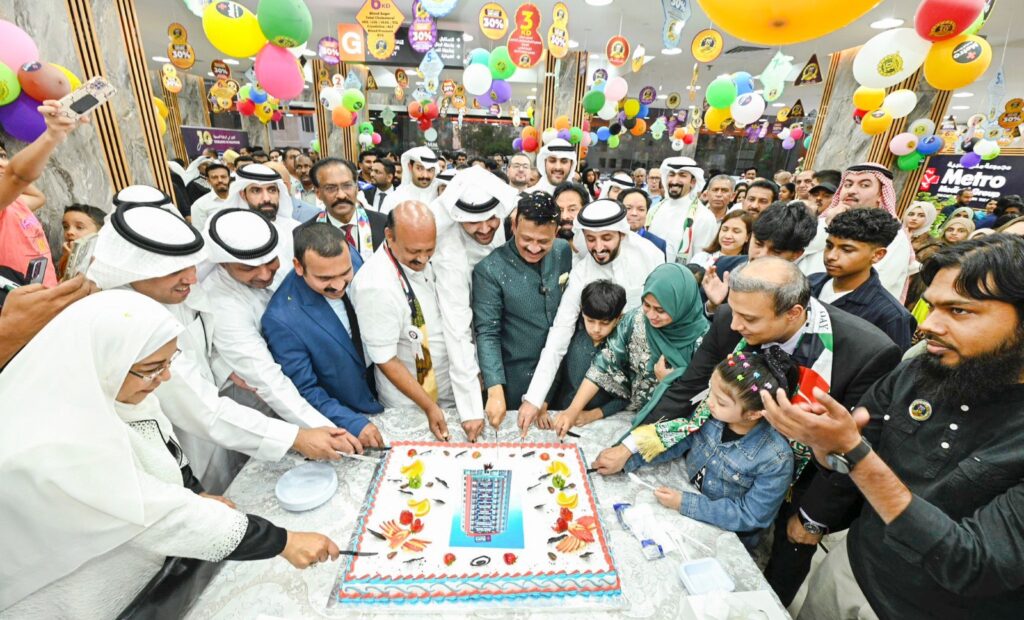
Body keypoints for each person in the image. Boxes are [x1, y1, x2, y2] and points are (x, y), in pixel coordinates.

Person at [0, 291, 348, 617]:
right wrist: (284, 542)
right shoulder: (58, 442)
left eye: (169, 362)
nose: (165, 377)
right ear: (104, 361)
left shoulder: (120, 394)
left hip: (142, 576)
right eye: (153, 368)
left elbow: (162, 447)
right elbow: (158, 514)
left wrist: (193, 491)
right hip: (79, 598)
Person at [593, 257, 900, 605]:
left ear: (793, 314)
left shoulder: (866, 353)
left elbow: (854, 449)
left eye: (750, 319)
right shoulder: (731, 318)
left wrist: (812, 520)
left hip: (807, 482)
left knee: (780, 563)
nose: (735, 325)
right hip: (723, 468)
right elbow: (687, 391)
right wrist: (630, 447)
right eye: (734, 312)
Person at [765, 234, 1024, 620]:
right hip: (851, 569)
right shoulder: (922, 369)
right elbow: (855, 447)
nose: (929, 325)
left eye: (959, 311)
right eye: (932, 307)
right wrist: (826, 447)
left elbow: (974, 564)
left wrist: (854, 453)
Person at [86, 190, 358, 492]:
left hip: (237, 417)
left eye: (192, 266)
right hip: (195, 431)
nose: (192, 279)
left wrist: (222, 365)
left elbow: (204, 344)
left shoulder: (179, 289)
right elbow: (202, 404)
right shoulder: (132, 322)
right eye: (177, 271)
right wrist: (303, 435)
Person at [616, 348, 799, 549]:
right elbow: (680, 439)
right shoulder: (711, 413)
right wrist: (627, 458)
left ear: (753, 414)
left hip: (727, 534)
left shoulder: (776, 459)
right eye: (711, 390)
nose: (709, 402)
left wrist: (684, 503)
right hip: (686, 496)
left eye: (720, 401)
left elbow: (751, 515)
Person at [516, 199, 664, 434]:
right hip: (591, 370)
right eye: (591, 239)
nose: (598, 247)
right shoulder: (582, 271)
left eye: (606, 238)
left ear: (622, 234)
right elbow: (560, 332)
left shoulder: (650, 256)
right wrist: (535, 398)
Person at [198, 208, 342, 431]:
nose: (265, 275)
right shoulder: (223, 303)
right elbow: (267, 381)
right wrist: (327, 430)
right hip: (259, 406)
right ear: (223, 263)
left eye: (270, 262)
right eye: (249, 268)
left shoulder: (278, 258)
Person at [352, 202, 471, 441]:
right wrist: (428, 406)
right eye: (415, 251)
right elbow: (385, 360)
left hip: (446, 389)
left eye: (429, 249)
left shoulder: (418, 257)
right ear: (389, 236)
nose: (423, 258)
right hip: (411, 403)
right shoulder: (376, 286)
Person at [262, 222, 386, 447]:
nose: (338, 286)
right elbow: (305, 390)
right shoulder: (281, 319)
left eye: (345, 273)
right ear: (299, 266)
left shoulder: (349, 257)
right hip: (347, 412)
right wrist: (353, 423)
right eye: (325, 279)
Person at [554, 263, 708, 438]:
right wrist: (573, 410)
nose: (651, 315)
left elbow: (701, 398)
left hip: (671, 427)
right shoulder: (635, 321)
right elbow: (604, 364)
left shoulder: (704, 341)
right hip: (629, 415)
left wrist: (668, 383)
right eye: (646, 305)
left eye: (660, 310)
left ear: (682, 305)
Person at [428, 166, 522, 440]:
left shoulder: (495, 227)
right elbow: (458, 330)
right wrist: (470, 409)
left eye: (491, 218)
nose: (484, 229)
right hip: (460, 341)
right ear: (458, 218)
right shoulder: (449, 253)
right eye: (473, 222)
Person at [473, 192, 573, 430]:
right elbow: (487, 333)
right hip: (514, 382)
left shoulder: (562, 251)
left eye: (543, 241)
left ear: (556, 233)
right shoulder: (490, 269)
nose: (534, 248)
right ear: (514, 226)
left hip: (561, 378)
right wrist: (495, 389)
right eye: (526, 239)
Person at [0, 100, 86, 287]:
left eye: (2, 156)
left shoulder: (17, 202)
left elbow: (38, 197)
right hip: (20, 299)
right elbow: (17, 177)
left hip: (47, 291)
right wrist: (51, 136)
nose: (2, 163)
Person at [810, 208, 916, 351]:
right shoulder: (809, 283)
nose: (831, 256)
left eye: (846, 250)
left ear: (878, 255)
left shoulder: (891, 316)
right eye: (829, 246)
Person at [818, 163, 913, 300]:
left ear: (881, 194)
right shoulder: (825, 220)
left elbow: (879, 283)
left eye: (864, 185)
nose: (851, 190)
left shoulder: (893, 236)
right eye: (848, 184)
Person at [549, 280, 629, 417]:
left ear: (618, 317)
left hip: (601, 420)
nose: (596, 329)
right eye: (590, 321)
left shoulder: (620, 350)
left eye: (604, 323)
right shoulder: (570, 340)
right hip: (561, 412)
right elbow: (555, 375)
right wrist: (543, 404)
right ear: (582, 312)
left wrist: (592, 415)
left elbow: (625, 396)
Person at [220, 163, 298, 289]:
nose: (266, 198)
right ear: (243, 195)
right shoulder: (229, 233)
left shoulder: (296, 229)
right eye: (256, 190)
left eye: (272, 190)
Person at [309, 157, 386, 268]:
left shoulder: (383, 224)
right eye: (330, 188)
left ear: (357, 188)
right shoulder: (307, 234)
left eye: (347, 186)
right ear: (318, 193)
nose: (341, 195)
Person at [647, 157, 717, 262]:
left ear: (693, 182)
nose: (674, 181)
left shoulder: (704, 217)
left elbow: (701, 261)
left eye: (682, 175)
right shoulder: (654, 210)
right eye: (671, 175)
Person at [379, 147, 439, 214]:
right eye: (420, 168)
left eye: (430, 170)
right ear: (410, 167)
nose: (425, 175)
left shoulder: (439, 197)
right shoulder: (394, 198)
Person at [58, 204, 104, 278]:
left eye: (79, 227)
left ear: (101, 231)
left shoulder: (102, 263)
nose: (69, 232)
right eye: (66, 227)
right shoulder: (65, 255)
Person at [620, 187, 667, 254]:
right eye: (628, 208)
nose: (634, 213)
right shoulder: (608, 240)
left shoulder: (658, 244)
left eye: (641, 209)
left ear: (647, 212)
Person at [189, 163, 232, 232]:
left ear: (229, 178)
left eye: (223, 177)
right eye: (215, 177)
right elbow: (200, 232)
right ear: (208, 180)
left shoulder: (240, 197)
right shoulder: (199, 205)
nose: (220, 180)